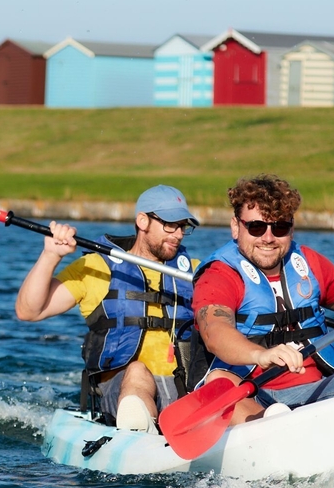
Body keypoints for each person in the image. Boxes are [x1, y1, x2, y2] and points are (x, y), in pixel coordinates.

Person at [15, 185, 199, 434]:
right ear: (142, 221)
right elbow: (29, 311)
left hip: (182, 388)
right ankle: (139, 429)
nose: (177, 234)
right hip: (122, 391)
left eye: (183, 226)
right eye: (169, 224)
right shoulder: (95, 267)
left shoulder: (194, 272)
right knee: (136, 371)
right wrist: (51, 255)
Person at [193, 173, 334, 424]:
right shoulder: (220, 275)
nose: (268, 238)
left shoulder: (310, 264)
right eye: (256, 227)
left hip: (319, 390)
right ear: (235, 226)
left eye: (280, 227)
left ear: (291, 229)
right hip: (255, 394)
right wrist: (260, 355)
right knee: (219, 381)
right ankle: (269, 425)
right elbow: (215, 332)